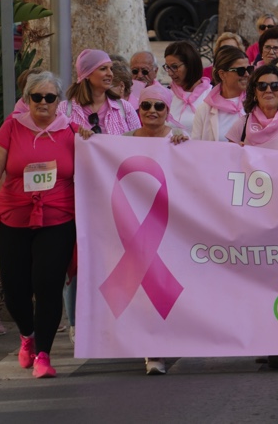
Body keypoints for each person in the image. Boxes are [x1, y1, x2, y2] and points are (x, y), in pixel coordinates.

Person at [0, 71, 89, 378]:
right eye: (37, 97)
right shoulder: (11, 128)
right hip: (15, 217)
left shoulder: (74, 132)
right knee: (15, 290)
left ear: (59, 103)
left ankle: (43, 354)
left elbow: (105, 159)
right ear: (26, 100)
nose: (43, 103)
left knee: (48, 284)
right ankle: (27, 335)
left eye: (50, 97)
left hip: (58, 219)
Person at [120, 83, 189, 375]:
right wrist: (88, 140)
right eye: (146, 106)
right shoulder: (121, 141)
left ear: (167, 111)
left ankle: (172, 340)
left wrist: (187, 148)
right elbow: (100, 164)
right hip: (134, 225)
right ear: (138, 110)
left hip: (173, 225)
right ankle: (153, 352)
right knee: (146, 289)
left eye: (158, 106)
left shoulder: (181, 139)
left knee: (167, 287)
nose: (151, 111)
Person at [191, 46, 251, 142]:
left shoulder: (256, 104)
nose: (247, 74)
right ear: (222, 74)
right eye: (241, 71)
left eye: (249, 69)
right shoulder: (204, 110)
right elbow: (195, 147)